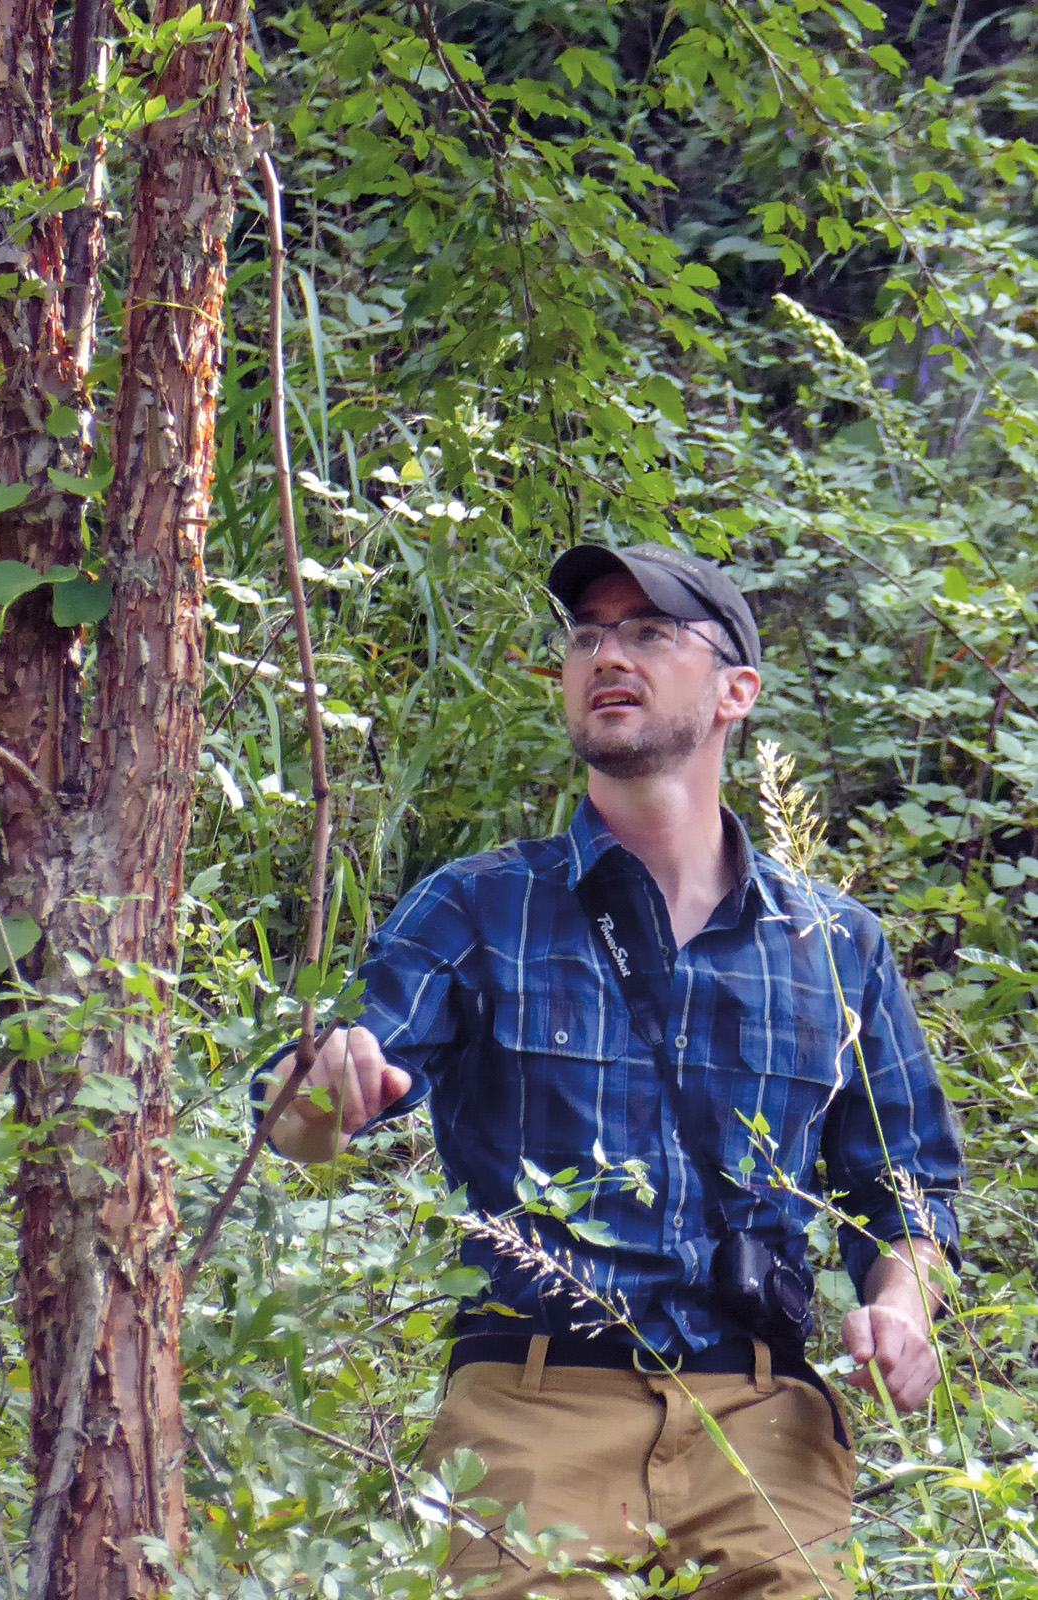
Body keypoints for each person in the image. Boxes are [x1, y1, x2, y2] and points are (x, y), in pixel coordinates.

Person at [257, 543, 962, 1600]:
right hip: (533, 1408)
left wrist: (900, 1307)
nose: (605, 655)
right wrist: (322, 1087)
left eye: (646, 632)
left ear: (737, 691)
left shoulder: (834, 943)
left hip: (764, 1421)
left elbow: (908, 1188)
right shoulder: (480, 905)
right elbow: (302, 1118)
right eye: (585, 635)